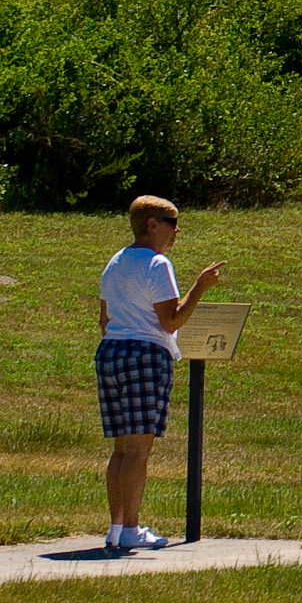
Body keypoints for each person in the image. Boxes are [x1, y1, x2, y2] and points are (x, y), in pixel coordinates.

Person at [95, 194, 223, 553]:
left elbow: (104, 319)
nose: (176, 231)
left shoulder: (115, 262)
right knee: (139, 449)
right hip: (145, 354)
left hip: (110, 352)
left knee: (122, 448)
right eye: (171, 223)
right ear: (152, 225)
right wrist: (200, 286)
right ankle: (132, 528)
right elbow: (170, 321)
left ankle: (117, 526)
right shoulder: (157, 263)